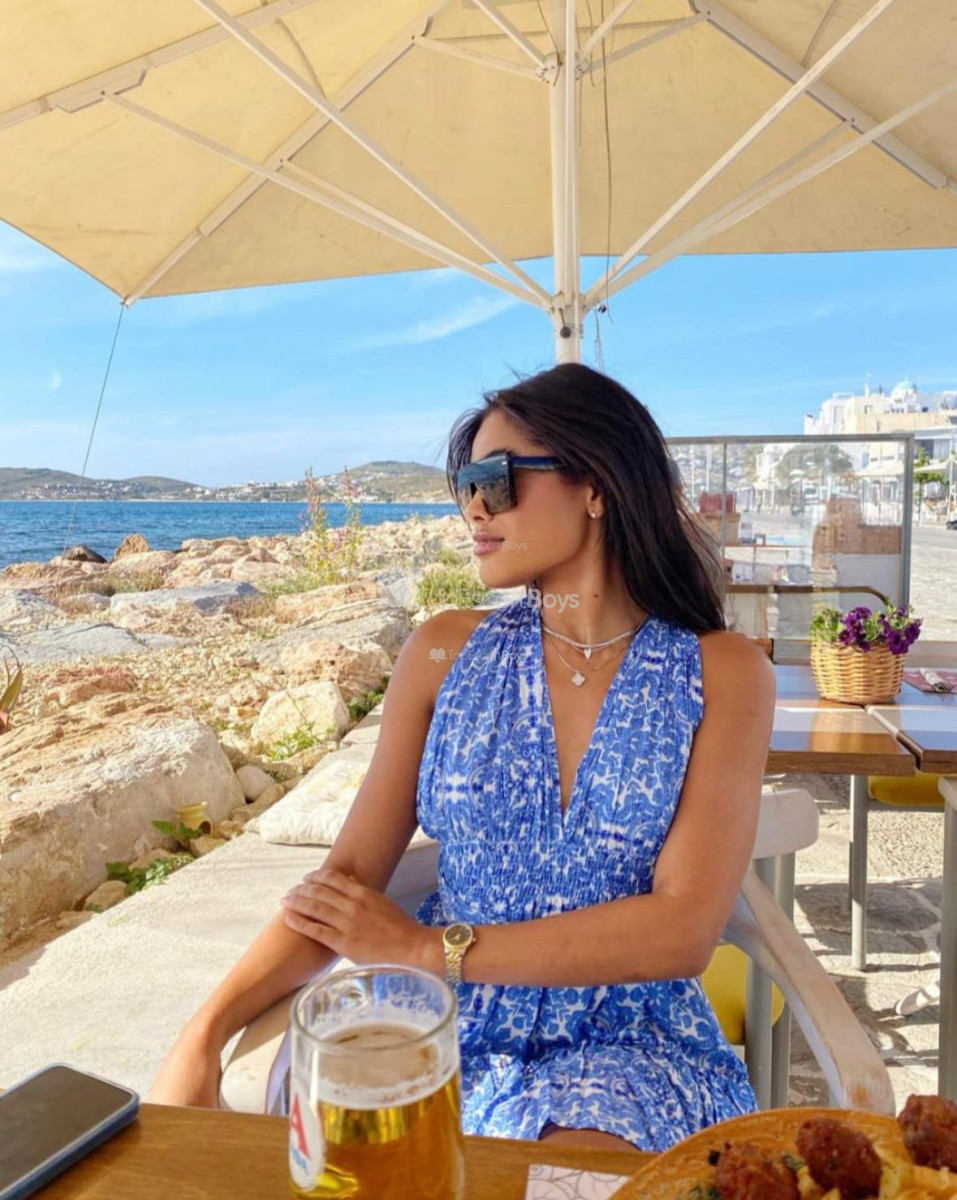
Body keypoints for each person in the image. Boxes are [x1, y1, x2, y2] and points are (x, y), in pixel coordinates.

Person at [151, 363, 775, 1154]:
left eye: (495, 480)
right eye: (464, 485)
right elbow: (345, 884)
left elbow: (682, 929)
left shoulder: (719, 671)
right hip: (439, 1028)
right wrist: (203, 1033)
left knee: (568, 1171)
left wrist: (427, 950)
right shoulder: (444, 653)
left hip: (627, 1034)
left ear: (596, 485)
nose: (472, 507)